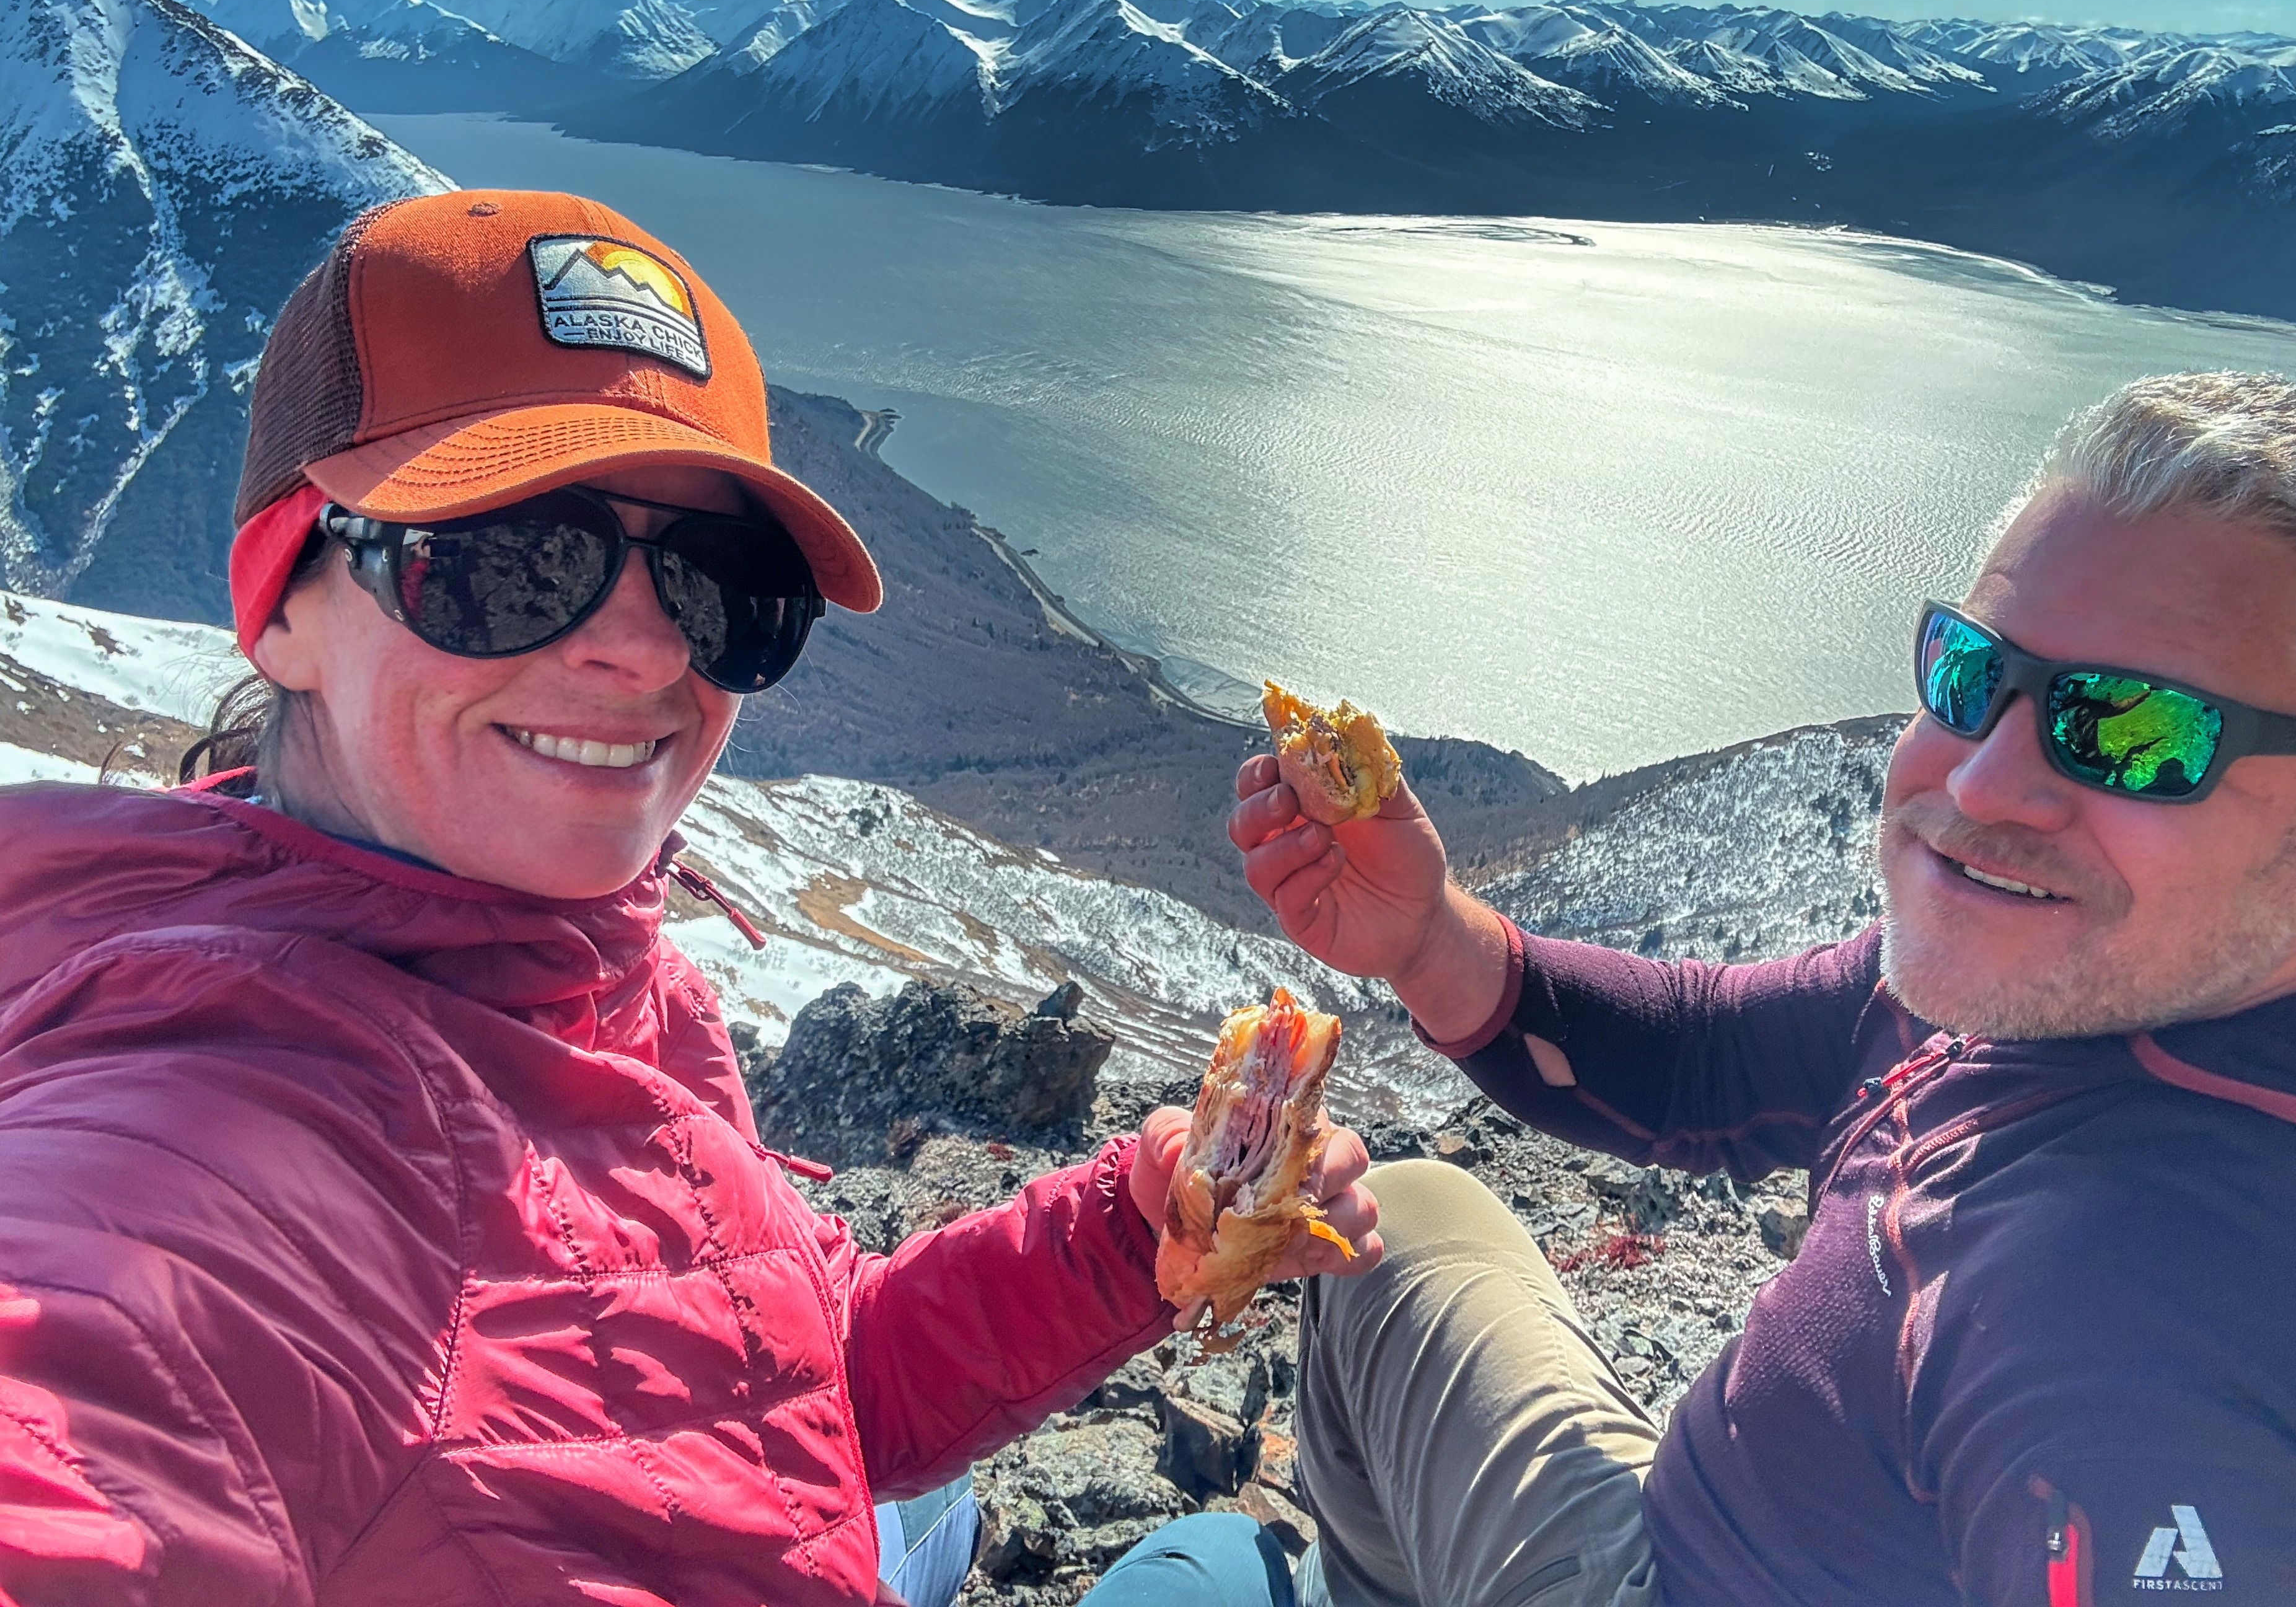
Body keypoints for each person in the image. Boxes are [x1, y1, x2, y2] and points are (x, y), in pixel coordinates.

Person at [0, 189, 1381, 1605]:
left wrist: (1123, 1239)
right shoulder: (200, 1133)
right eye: (509, 554)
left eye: (722, 579)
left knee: (1223, 1560)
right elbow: (98, 1403)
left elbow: (771, 1373)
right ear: (281, 598)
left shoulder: (586, 971)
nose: (646, 644)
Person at [1235, 371, 2296, 1607]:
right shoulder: (2090, 986)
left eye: (2136, 730)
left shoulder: (2168, 1328)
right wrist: (1425, 936)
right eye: (1972, 674)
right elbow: (1714, 1060)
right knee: (1406, 1222)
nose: (1985, 783)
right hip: (1693, 1542)